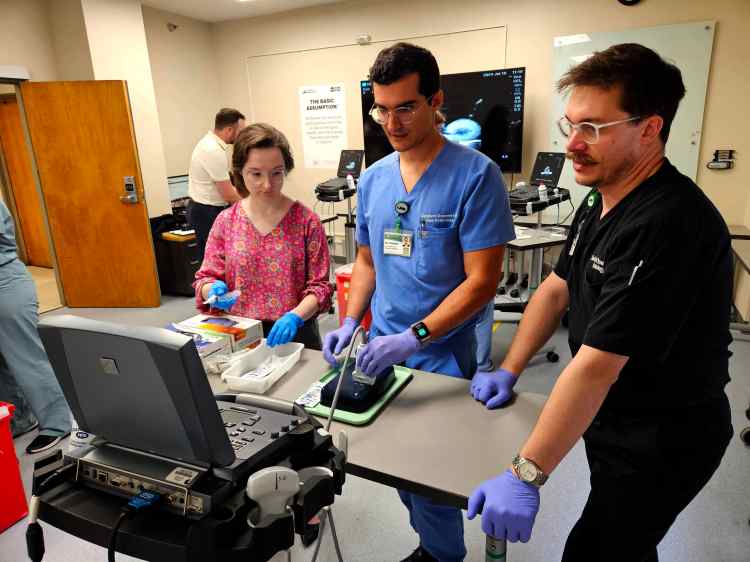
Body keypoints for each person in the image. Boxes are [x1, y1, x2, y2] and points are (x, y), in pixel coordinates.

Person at [467, 43, 734, 561]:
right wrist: (512, 367)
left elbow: (594, 367)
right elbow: (556, 286)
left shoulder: (667, 223)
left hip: (665, 436)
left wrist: (526, 475)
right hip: (614, 419)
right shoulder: (602, 195)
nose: (574, 145)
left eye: (594, 128)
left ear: (650, 128)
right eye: (571, 126)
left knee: (597, 550)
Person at [323, 43, 515, 562]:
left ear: (436, 101)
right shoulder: (373, 179)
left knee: (432, 472)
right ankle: (433, 545)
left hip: (445, 351)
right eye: (381, 109)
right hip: (384, 343)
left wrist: (416, 336)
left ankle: (443, 555)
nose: (392, 121)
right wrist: (350, 321)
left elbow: (482, 282)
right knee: (397, 465)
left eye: (405, 106)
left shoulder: (476, 177)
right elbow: (365, 261)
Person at [193, 123, 332, 350]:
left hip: (295, 333)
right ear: (240, 172)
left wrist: (295, 316)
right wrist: (212, 289)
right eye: (256, 174)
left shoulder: (306, 221)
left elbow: (320, 287)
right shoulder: (227, 221)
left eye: (276, 173)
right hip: (241, 334)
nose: (267, 185)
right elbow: (204, 279)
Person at [0, 201, 71, 454]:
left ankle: (57, 424)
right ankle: (18, 420)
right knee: (3, 365)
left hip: (5, 284)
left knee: (27, 357)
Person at [188, 108, 245, 262]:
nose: (242, 135)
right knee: (215, 260)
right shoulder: (213, 150)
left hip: (204, 209)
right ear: (229, 130)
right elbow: (228, 194)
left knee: (214, 258)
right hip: (207, 212)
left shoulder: (209, 144)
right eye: (241, 130)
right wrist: (255, 205)